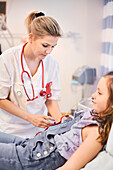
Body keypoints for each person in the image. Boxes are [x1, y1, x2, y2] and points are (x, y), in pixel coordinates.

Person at [0, 71, 113, 170]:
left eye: (99, 93)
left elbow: (70, 168)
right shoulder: (92, 114)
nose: (93, 95)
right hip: (33, 145)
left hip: (33, 159)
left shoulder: (96, 134)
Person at [0, 11, 62, 138]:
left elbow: (50, 99)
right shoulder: (8, 59)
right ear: (31, 38)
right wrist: (30, 118)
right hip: (10, 131)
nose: (49, 51)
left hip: (38, 130)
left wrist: (60, 122)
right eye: (45, 45)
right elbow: (1, 99)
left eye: (53, 47)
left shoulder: (52, 64)